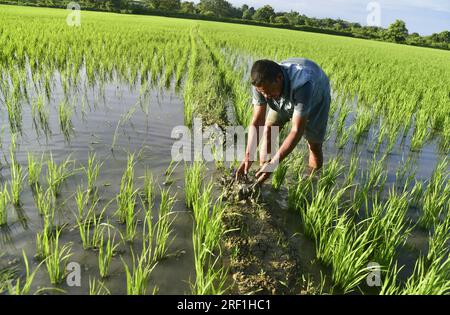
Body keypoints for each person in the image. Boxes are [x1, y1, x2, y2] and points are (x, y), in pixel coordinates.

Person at [236, 58, 331, 184]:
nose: (265, 97)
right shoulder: (261, 84)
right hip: (282, 95)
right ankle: (262, 175)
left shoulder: (303, 84)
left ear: (279, 78)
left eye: (268, 92)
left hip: (315, 98)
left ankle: (311, 182)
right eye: (262, 93)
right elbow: (258, 121)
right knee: (269, 130)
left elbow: (297, 130)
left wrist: (274, 163)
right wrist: (248, 156)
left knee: (314, 145)